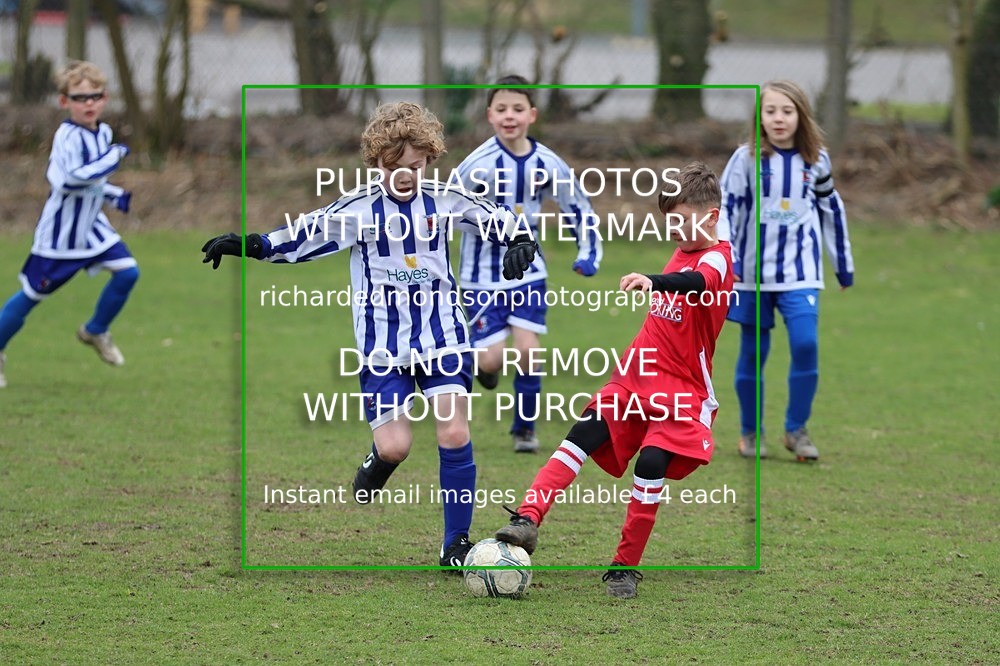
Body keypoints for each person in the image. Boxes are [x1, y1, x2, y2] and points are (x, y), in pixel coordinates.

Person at [201, 102, 536, 571]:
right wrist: (250, 244)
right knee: (396, 446)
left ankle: (454, 545)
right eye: (394, 168)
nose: (406, 176)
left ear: (430, 159)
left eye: (416, 167)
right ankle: (378, 461)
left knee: (455, 430)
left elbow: (497, 217)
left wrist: (519, 239)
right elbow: (303, 236)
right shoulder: (358, 210)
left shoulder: (444, 198)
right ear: (376, 162)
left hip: (444, 335)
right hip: (383, 345)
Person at [495, 162, 733, 598]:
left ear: (712, 216)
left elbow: (696, 281)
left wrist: (652, 280)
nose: (675, 231)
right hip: (634, 376)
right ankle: (527, 520)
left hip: (682, 389)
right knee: (580, 436)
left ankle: (624, 567)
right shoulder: (685, 244)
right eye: (670, 222)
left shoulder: (718, 257)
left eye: (681, 221)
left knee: (651, 465)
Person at [455, 75, 602, 453]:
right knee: (491, 360)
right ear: (489, 115)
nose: (509, 116)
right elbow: (448, 210)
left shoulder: (547, 162)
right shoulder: (476, 166)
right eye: (501, 109)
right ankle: (485, 370)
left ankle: (524, 429)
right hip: (480, 279)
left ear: (532, 115)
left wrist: (587, 253)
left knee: (528, 350)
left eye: (517, 109)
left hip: (528, 273)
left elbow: (577, 207)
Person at [719, 80, 854, 462]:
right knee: (754, 350)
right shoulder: (745, 159)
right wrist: (725, 258)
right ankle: (750, 432)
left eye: (787, 111)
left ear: (801, 116)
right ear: (759, 117)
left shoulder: (817, 161)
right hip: (750, 275)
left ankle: (796, 430)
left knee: (806, 343)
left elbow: (832, 212)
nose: (779, 119)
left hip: (801, 273)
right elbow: (724, 210)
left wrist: (842, 265)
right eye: (771, 111)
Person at [0, 61, 137, 388]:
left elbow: (93, 179)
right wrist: (114, 157)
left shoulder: (102, 131)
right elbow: (72, 179)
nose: (88, 103)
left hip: (92, 227)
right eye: (79, 97)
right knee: (32, 296)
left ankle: (95, 330)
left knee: (129, 272)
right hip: (62, 235)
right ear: (65, 102)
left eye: (95, 96)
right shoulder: (67, 136)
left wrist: (112, 194)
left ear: (104, 99)